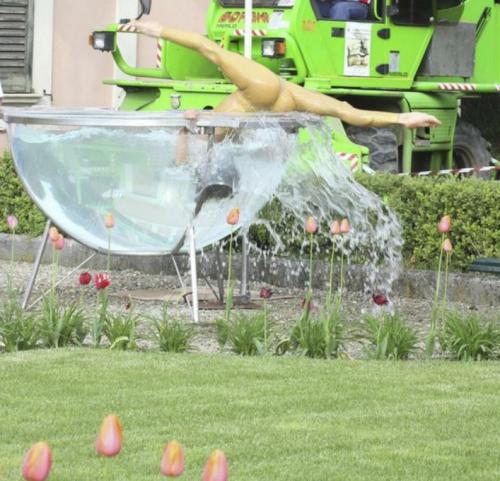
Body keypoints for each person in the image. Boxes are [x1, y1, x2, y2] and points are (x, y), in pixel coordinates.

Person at [127, 20, 439, 132]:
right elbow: (351, 113)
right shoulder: (295, 94)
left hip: (258, 98)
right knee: (343, 110)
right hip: (284, 99)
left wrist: (157, 30)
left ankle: (193, 124)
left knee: (196, 144)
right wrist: (400, 119)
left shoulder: (249, 92)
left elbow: (206, 47)